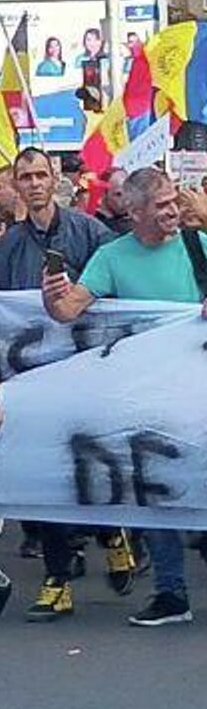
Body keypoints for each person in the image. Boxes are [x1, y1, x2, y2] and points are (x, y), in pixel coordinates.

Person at [43, 164, 205, 628]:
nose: (173, 210)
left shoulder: (197, 245)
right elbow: (68, 310)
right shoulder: (112, 258)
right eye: (162, 205)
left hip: (200, 393)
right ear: (133, 212)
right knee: (151, 493)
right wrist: (53, 297)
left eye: (174, 200)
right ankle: (171, 592)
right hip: (149, 398)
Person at [0, 146, 129, 621]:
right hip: (35, 379)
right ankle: (57, 579)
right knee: (44, 475)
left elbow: (116, 290)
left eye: (41, 174)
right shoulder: (8, 246)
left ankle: (114, 533)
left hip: (89, 372)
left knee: (93, 466)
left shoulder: (92, 232)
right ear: (18, 186)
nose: (34, 183)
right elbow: (1, 306)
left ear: (55, 180)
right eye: (25, 177)